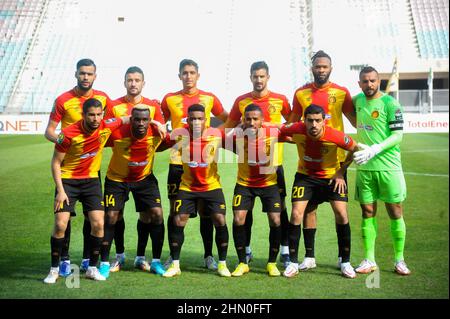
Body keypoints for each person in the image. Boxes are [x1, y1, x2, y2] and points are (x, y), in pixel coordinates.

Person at [43, 98, 126, 283]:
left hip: (91, 182)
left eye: (98, 114)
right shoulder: (68, 134)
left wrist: (155, 123)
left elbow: (127, 118)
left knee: (98, 224)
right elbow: (56, 162)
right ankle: (54, 269)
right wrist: (61, 190)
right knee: (60, 224)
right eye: (91, 115)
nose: (96, 119)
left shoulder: (107, 125)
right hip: (68, 182)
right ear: (83, 115)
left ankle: (92, 268)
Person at [44, 58, 113, 276]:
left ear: (95, 75)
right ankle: (63, 260)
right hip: (68, 167)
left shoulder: (103, 99)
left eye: (89, 74)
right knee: (64, 220)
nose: (85, 77)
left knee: (94, 219)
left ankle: (87, 260)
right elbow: (50, 130)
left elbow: (113, 123)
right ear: (76, 74)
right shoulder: (63, 100)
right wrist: (68, 143)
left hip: (91, 170)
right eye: (82, 73)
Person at [288, 50, 356, 271]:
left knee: (340, 211)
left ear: (330, 68)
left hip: (334, 163)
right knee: (308, 210)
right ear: (312, 68)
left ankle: (344, 260)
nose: (321, 70)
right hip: (308, 166)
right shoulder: (300, 93)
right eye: (317, 66)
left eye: (324, 67)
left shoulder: (341, 92)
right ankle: (309, 257)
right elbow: (291, 125)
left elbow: (356, 120)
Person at [161, 59, 229, 270]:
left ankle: (208, 256)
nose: (188, 76)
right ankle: (174, 257)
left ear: (198, 75)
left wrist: (213, 140)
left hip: (203, 160)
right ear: (179, 75)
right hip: (177, 162)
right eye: (184, 73)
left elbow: (226, 118)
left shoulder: (209, 98)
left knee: (206, 212)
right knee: (176, 212)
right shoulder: (169, 99)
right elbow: (160, 121)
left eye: (192, 73)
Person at [224, 61, 291, 266]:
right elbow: (229, 127)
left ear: (268, 77)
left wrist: (273, 125)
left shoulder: (280, 100)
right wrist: (239, 149)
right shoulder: (241, 101)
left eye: (262, 76)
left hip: (273, 164)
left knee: (280, 211)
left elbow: (292, 123)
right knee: (246, 210)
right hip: (249, 165)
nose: (259, 80)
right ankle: (247, 249)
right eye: (255, 76)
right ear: (250, 77)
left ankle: (285, 250)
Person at [279, 104, 357, 279]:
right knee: (297, 214)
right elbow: (279, 131)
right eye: (310, 121)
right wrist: (290, 139)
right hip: (305, 177)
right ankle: (297, 261)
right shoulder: (296, 128)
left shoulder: (335, 135)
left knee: (342, 214)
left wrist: (340, 173)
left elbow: (354, 148)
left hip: (331, 177)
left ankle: (345, 262)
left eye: (317, 121)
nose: (313, 125)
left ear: (324, 121)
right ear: (304, 121)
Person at [104, 66, 166, 273]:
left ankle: (144, 258)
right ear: (124, 82)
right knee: (113, 216)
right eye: (129, 80)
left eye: (137, 80)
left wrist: (159, 123)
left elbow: (162, 132)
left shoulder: (153, 106)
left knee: (152, 215)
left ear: (143, 83)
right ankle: (119, 256)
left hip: (144, 175)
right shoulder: (114, 106)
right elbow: (105, 132)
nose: (133, 83)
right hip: (118, 175)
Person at [352, 66, 410, 276]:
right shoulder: (357, 101)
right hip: (365, 168)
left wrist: (375, 149)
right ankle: (369, 259)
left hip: (389, 167)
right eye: (365, 81)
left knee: (395, 211)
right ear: (359, 83)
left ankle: (399, 260)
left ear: (379, 81)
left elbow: (398, 136)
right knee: (367, 212)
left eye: (373, 81)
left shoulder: (390, 103)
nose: (369, 85)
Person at [229, 104, 285, 277]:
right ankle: (242, 263)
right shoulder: (238, 135)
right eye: (248, 119)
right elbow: (218, 139)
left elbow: (296, 133)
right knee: (239, 219)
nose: (252, 122)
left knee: (276, 220)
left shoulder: (273, 132)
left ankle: (271, 263)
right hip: (244, 184)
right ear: (243, 120)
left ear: (262, 120)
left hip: (269, 184)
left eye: (255, 119)